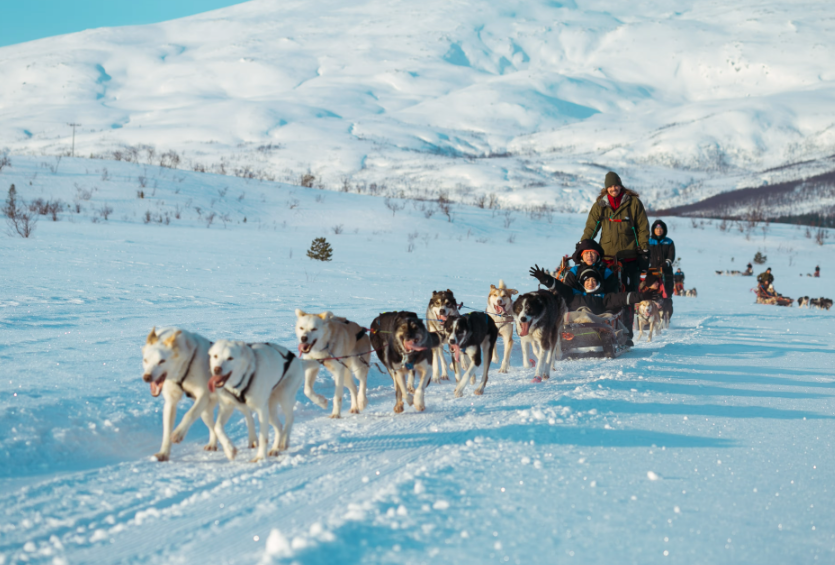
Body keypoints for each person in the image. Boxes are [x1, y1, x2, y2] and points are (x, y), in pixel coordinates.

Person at [581, 171, 650, 345]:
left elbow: (642, 228)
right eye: (610, 186)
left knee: (628, 296)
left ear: (621, 185)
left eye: (616, 185)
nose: (614, 189)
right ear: (606, 188)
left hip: (629, 258)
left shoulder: (633, 203)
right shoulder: (601, 205)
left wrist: (643, 251)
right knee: (606, 295)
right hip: (606, 259)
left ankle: (626, 335)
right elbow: (591, 227)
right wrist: (584, 246)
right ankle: (604, 331)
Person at [530, 264, 658, 316]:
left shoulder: (604, 297)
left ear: (598, 283)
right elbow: (559, 286)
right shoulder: (574, 293)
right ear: (583, 283)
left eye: (593, 281)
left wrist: (642, 296)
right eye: (587, 281)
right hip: (575, 321)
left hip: (596, 322)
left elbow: (623, 298)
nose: (590, 283)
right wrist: (544, 278)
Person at [647, 220, 675, 321]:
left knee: (667, 294)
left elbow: (671, 256)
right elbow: (645, 255)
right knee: (650, 291)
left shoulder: (669, 242)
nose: (659, 231)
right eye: (657, 229)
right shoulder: (648, 242)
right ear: (653, 230)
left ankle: (666, 316)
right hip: (652, 272)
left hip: (666, 272)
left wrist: (667, 263)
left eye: (661, 229)